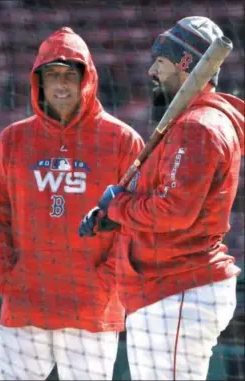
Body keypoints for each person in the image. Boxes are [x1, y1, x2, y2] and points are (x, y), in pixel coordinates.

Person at [79, 16, 244, 380]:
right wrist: (117, 216)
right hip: (169, 290)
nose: (152, 70)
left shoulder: (197, 127)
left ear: (185, 65)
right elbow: (166, 199)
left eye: (161, 62)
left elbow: (174, 212)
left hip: (179, 288)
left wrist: (119, 206)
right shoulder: (188, 122)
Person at [0, 27, 144, 380]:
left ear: (87, 79)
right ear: (37, 81)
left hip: (91, 311)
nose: (61, 84)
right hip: (26, 305)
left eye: (71, 74)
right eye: (52, 74)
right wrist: (7, 277)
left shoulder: (122, 140)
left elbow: (136, 223)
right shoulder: (13, 139)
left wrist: (105, 282)